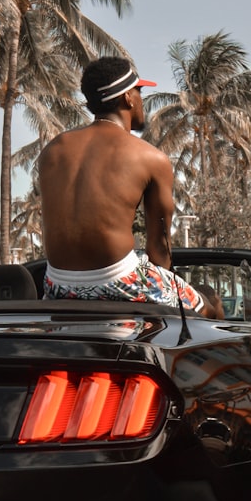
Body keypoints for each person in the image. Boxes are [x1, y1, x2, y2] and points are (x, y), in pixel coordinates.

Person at [37, 56, 222, 319]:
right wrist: (167, 295)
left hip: (57, 285)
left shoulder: (52, 151)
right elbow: (159, 248)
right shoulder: (149, 157)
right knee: (211, 305)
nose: (141, 100)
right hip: (119, 279)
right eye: (139, 91)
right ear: (128, 98)